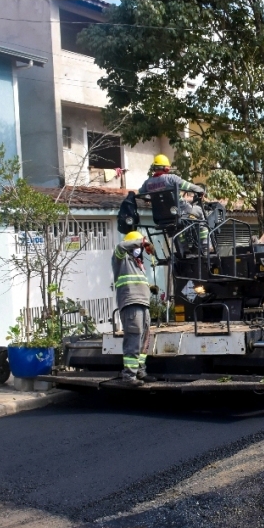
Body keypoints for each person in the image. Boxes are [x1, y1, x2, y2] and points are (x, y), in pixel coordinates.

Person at [112, 231, 158, 386]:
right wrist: (143, 241)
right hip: (131, 304)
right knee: (134, 337)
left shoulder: (138, 264)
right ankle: (129, 376)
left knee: (144, 340)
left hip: (143, 304)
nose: (141, 249)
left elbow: (136, 282)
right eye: (138, 245)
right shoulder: (121, 259)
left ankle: (140, 371)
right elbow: (120, 246)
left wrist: (150, 287)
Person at [139, 154, 209, 252]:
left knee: (178, 226)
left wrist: (148, 198)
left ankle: (183, 249)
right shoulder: (172, 178)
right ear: (166, 168)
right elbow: (188, 186)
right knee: (200, 213)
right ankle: (205, 245)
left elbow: (141, 194)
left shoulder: (148, 183)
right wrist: (201, 191)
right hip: (182, 210)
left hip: (161, 216)